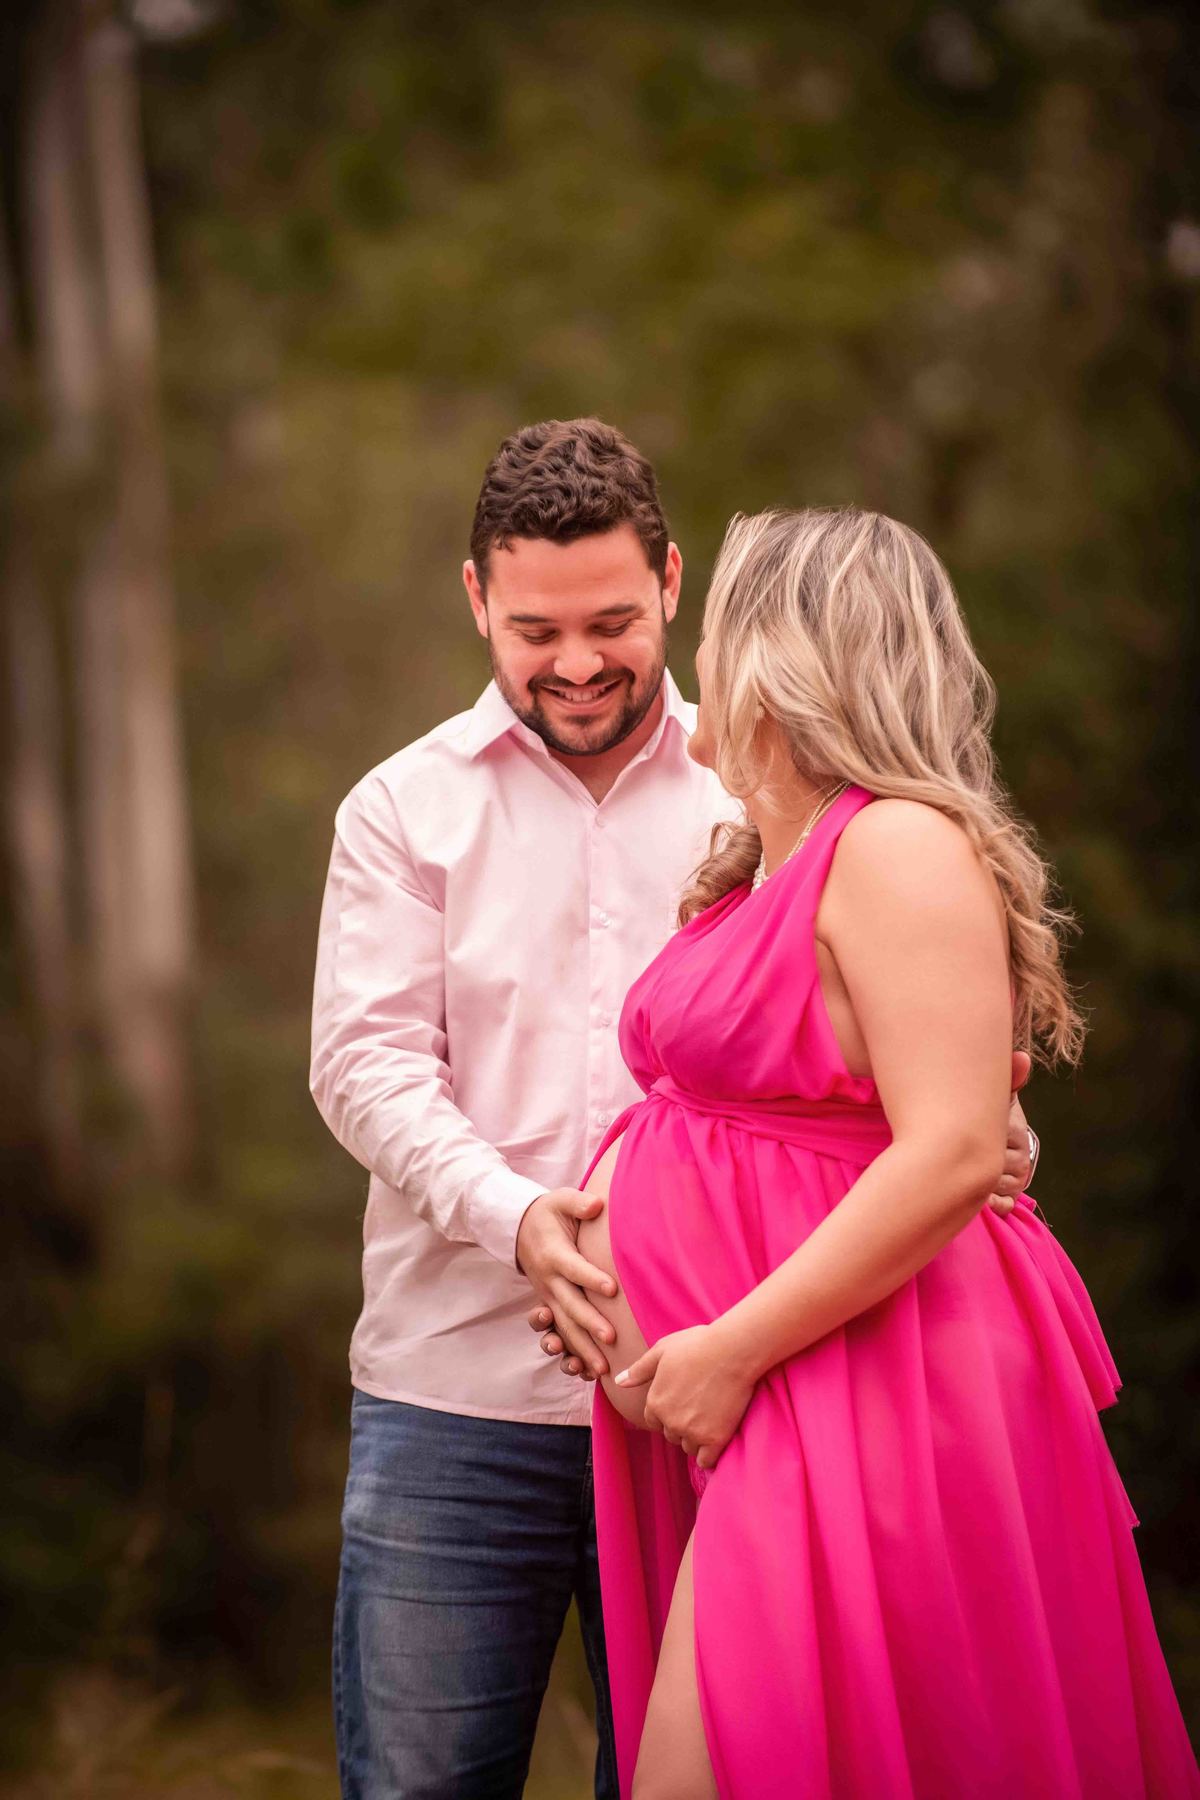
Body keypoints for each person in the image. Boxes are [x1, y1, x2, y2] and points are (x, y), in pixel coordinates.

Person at [309, 422, 1035, 1800]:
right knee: (419, 1785)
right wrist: (522, 1219)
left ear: (672, 584)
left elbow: (870, 1043)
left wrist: (967, 1133)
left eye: (612, 624)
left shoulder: (769, 782)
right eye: (535, 631)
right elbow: (365, 1067)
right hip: (457, 1401)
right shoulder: (402, 810)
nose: (578, 663)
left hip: (731, 1401)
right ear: (475, 599)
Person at [540, 507, 1198, 1799]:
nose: (692, 657)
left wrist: (728, 1348)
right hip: (785, 1383)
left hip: (862, 1378)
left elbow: (952, 1148)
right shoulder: (761, 868)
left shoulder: (896, 844)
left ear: (782, 656)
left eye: (715, 625)